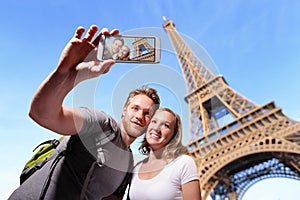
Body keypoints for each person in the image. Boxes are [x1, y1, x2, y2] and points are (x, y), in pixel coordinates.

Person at [8, 25, 160, 200]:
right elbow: (42, 113)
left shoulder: (128, 163)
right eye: (135, 108)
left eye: (147, 113)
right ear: (124, 110)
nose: (140, 116)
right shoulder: (101, 125)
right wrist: (67, 76)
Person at [128, 108, 202, 200]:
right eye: (154, 121)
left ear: (174, 135)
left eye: (166, 125)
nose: (157, 128)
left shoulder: (183, 163)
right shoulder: (136, 169)